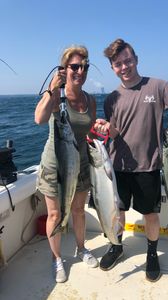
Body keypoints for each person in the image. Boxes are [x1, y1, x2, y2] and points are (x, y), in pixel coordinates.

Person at [94, 38, 168, 282]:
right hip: (116, 166)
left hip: (149, 165)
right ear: (113, 68)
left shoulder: (158, 86)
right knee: (117, 211)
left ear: (136, 59)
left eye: (127, 60)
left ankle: (152, 254)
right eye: (118, 64)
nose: (124, 67)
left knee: (150, 213)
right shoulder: (111, 99)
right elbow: (116, 131)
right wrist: (107, 128)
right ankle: (116, 247)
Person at [35, 45, 99, 283]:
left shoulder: (90, 100)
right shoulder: (55, 95)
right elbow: (39, 119)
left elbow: (87, 127)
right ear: (64, 69)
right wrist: (52, 89)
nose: (80, 71)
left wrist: (99, 126)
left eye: (84, 66)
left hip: (81, 162)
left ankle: (81, 248)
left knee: (78, 210)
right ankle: (56, 258)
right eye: (74, 66)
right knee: (54, 213)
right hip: (55, 164)